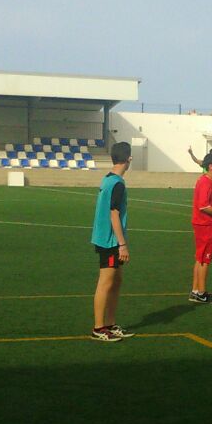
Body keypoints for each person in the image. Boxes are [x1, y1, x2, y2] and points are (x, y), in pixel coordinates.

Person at [90, 141, 134, 341]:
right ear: (129, 159)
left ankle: (110, 323)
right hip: (109, 241)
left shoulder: (107, 179)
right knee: (106, 282)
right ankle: (99, 328)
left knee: (116, 280)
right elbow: (114, 214)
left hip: (106, 238)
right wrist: (122, 244)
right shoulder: (117, 183)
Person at [189, 152, 212, 303]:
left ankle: (195, 290)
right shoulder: (206, 182)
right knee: (205, 259)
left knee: (200, 258)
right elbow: (204, 206)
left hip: (204, 224)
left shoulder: (209, 182)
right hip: (205, 224)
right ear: (211, 166)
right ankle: (201, 292)